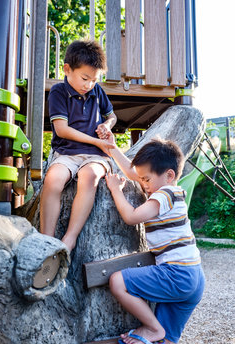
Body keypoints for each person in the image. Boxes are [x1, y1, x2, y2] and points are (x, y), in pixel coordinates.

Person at [105, 138, 205, 344]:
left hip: (177, 275)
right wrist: (113, 148)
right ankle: (156, 333)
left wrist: (116, 189)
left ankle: (151, 327)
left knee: (117, 282)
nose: (143, 184)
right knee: (166, 340)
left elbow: (132, 217)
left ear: (169, 175)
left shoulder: (164, 194)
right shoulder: (172, 192)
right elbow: (134, 173)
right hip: (194, 276)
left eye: (147, 180)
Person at [40, 40, 117, 252]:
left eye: (94, 80)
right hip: (66, 153)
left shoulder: (97, 92)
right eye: (85, 78)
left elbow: (112, 116)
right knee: (53, 179)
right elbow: (62, 129)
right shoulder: (58, 92)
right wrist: (95, 140)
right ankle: (46, 240)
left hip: (95, 156)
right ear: (67, 69)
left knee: (89, 177)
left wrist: (106, 125)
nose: (89, 85)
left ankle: (70, 238)